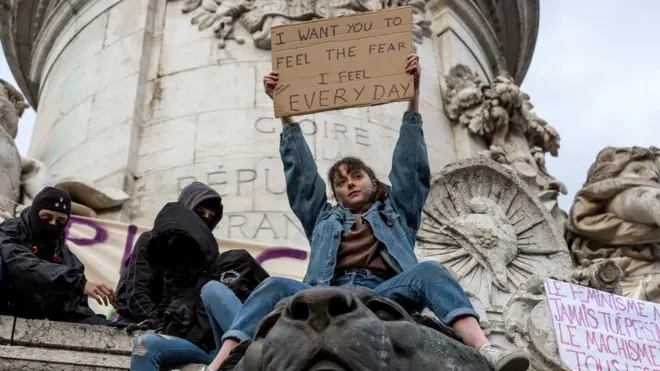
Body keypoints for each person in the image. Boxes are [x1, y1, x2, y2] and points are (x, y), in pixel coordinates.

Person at [205, 54, 530, 371]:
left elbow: (409, 165)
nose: (349, 184)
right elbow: (301, 175)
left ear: (374, 182)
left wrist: (413, 97)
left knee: (430, 271)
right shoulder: (323, 218)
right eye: (341, 182)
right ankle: (222, 362)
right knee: (273, 285)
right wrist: (285, 113)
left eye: (356, 176)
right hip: (324, 287)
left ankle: (484, 348)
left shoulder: (397, 212)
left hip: (384, 290)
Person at [129, 202, 269, 370]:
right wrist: (151, 322)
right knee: (142, 346)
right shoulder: (174, 279)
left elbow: (270, 302)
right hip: (202, 349)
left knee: (212, 290)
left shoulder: (236, 261)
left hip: (242, 345)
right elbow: (163, 312)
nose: (176, 246)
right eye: (169, 243)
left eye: (179, 239)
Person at [113, 181, 225, 330]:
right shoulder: (151, 241)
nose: (206, 218)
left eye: (211, 215)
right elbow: (136, 292)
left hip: (177, 327)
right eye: (200, 212)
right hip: (138, 322)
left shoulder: (205, 254)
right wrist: (158, 320)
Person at [0, 187, 113, 325]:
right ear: (34, 213)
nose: (52, 224)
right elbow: (21, 263)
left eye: (60, 221)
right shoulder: (8, 232)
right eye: (45, 218)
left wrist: (113, 326)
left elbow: (75, 312)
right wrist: (78, 283)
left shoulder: (62, 252)